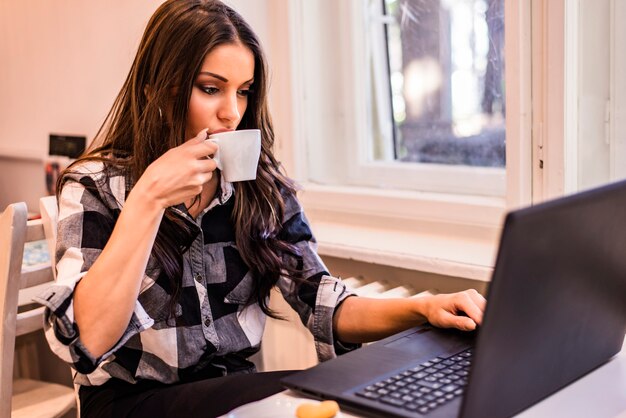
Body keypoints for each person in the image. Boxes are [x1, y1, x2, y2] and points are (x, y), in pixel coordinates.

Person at [36, 1, 486, 417]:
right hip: (130, 401)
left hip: (231, 387)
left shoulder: (255, 181)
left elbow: (320, 299)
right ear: (156, 89)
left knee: (331, 400)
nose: (232, 112)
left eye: (244, 91)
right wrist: (149, 198)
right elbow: (89, 342)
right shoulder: (94, 184)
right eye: (211, 89)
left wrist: (424, 308)